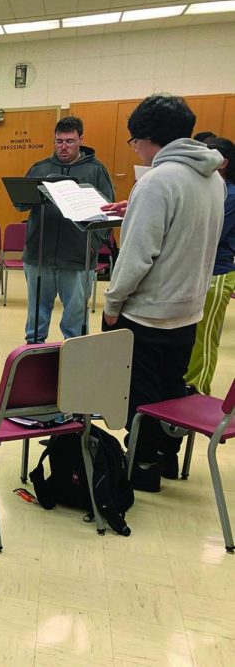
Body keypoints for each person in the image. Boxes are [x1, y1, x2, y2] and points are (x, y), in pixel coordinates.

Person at [101, 94, 225, 492]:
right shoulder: (214, 177)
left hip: (149, 310)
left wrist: (112, 302)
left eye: (134, 142)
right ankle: (166, 460)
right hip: (188, 306)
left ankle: (141, 470)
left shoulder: (156, 180)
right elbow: (184, 230)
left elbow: (137, 257)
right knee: (172, 390)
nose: (135, 149)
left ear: (148, 139)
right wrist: (134, 209)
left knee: (139, 393)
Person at [19, 116, 114, 343]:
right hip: (39, 256)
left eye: (70, 141)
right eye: (59, 141)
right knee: (36, 314)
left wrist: (92, 246)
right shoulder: (40, 168)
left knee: (75, 318)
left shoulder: (96, 170)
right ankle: (33, 353)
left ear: (81, 139)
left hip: (78, 258)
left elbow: (108, 213)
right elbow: (21, 203)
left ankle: (75, 360)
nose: (64, 147)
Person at [185, 136, 235, 395]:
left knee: (205, 338)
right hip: (200, 270)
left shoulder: (231, 194)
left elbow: (212, 232)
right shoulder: (212, 188)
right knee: (191, 334)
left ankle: (198, 388)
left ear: (223, 162)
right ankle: (186, 381)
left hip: (218, 273)